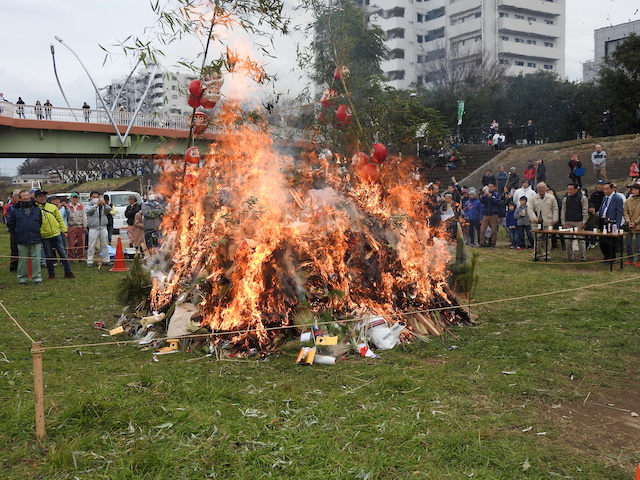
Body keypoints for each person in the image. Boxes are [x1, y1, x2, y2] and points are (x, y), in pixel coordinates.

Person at [34, 190, 75, 280]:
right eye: (40, 196)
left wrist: (64, 230)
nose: (42, 198)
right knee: (48, 255)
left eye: (44, 196)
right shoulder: (35, 209)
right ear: (36, 198)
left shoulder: (52, 207)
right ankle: (51, 274)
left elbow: (60, 219)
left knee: (63, 253)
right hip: (44, 236)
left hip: (56, 233)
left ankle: (68, 272)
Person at [6, 191, 43, 286]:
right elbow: (11, 224)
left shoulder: (37, 209)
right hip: (21, 238)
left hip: (35, 237)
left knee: (36, 259)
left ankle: (37, 278)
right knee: (23, 260)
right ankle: (22, 279)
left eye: (27, 195)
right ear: (20, 198)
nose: (26, 197)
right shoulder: (15, 210)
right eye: (24, 196)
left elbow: (40, 222)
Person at [529, 182, 558, 261]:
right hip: (536, 223)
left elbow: (555, 209)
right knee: (537, 240)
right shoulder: (533, 198)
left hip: (548, 222)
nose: (540, 189)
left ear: (546, 189)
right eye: (539, 188)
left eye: (542, 188)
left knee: (547, 240)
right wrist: (534, 218)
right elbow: (530, 209)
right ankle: (537, 255)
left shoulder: (551, 198)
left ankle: (546, 255)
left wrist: (555, 219)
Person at [561, 183, 588, 261]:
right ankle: (570, 256)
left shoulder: (582, 198)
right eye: (568, 189)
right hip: (568, 221)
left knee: (581, 240)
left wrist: (584, 221)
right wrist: (563, 222)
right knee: (568, 241)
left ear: (576, 189)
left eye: (571, 189)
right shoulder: (566, 199)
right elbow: (563, 211)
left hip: (579, 221)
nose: (569, 191)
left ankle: (582, 256)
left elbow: (585, 210)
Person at [598, 182, 623, 262]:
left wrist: (617, 225)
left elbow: (619, 212)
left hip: (612, 221)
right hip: (603, 220)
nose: (605, 191)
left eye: (607, 189)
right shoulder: (605, 198)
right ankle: (606, 256)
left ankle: (611, 258)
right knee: (602, 240)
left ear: (612, 189)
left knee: (610, 241)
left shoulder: (617, 198)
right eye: (604, 189)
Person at [86, 191, 112, 267]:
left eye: (97, 197)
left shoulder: (102, 205)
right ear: (90, 198)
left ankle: (106, 260)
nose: (96, 199)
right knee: (91, 245)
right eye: (94, 197)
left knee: (105, 245)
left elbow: (108, 210)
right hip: (93, 228)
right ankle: (90, 261)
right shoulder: (88, 205)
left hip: (103, 227)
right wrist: (96, 205)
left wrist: (104, 204)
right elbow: (88, 211)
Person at [479, 183, 503, 247]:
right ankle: (482, 242)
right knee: (482, 230)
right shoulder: (485, 194)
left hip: (494, 214)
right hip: (486, 214)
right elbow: (482, 201)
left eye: (491, 186)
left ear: (494, 187)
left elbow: (498, 203)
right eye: (489, 186)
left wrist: (491, 197)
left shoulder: (497, 194)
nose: (490, 188)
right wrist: (484, 195)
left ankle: (492, 242)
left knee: (494, 230)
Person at [623, 183, 640, 266]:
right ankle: (630, 258)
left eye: (636, 189)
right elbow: (625, 212)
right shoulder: (628, 201)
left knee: (638, 244)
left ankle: (639, 260)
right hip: (629, 225)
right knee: (628, 243)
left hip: (638, 225)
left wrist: (635, 222)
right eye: (633, 189)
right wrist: (628, 221)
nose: (634, 191)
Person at [67, 193, 87, 260]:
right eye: (73, 198)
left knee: (81, 243)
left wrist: (84, 225)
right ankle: (71, 257)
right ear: (70, 199)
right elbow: (65, 217)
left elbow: (84, 217)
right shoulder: (67, 207)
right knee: (71, 243)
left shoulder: (81, 206)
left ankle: (81, 257)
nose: (75, 199)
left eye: (76, 198)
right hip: (71, 226)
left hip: (80, 226)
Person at [4, 189, 21, 272]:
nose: (19, 197)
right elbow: (9, 220)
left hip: (24, 231)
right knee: (14, 249)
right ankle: (13, 267)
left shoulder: (24, 206)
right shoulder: (10, 207)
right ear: (13, 197)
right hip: (14, 231)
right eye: (17, 195)